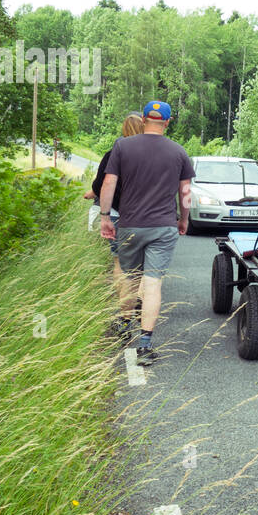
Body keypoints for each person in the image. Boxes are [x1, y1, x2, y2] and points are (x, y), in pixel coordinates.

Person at [98, 100, 194, 366]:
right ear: (168, 121)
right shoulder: (178, 152)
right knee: (152, 283)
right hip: (163, 227)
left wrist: (105, 217)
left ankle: (124, 324)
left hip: (129, 224)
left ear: (143, 119)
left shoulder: (122, 147)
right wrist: (184, 219)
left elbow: (109, 182)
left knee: (128, 277)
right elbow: (185, 192)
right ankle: (145, 345)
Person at [85, 112, 145, 266]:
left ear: (124, 130)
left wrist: (102, 203)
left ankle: (123, 291)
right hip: (146, 216)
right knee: (144, 265)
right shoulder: (154, 155)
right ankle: (143, 290)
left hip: (117, 214)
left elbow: (100, 185)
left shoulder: (112, 154)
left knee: (120, 262)